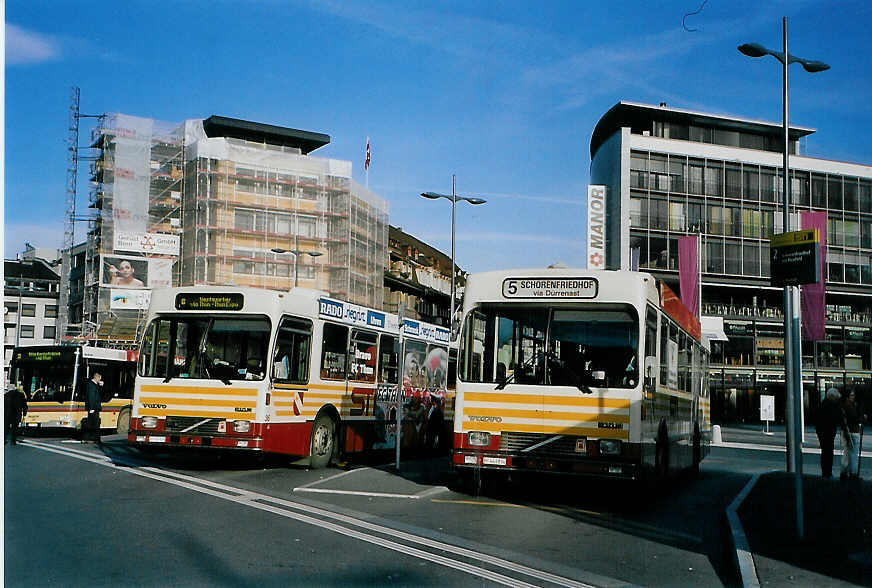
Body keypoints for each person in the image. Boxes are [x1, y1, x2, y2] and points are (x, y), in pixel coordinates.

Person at [816, 388, 843, 478]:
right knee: (828, 452)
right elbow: (834, 418)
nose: (836, 400)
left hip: (824, 432)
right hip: (826, 432)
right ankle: (827, 472)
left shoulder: (824, 404)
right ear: (832, 397)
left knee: (826, 452)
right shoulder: (828, 406)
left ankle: (826, 471)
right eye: (835, 398)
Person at [841, 389, 863, 480]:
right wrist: (862, 418)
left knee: (846, 452)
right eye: (851, 395)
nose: (853, 397)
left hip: (846, 431)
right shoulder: (850, 406)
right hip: (853, 431)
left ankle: (844, 471)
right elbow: (855, 418)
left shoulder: (844, 406)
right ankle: (853, 473)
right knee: (853, 453)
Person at [84, 371, 104, 444]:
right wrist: (92, 408)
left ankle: (91, 438)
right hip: (93, 408)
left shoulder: (94, 385)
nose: (100, 380)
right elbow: (91, 397)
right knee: (94, 424)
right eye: (99, 378)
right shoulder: (92, 385)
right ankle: (94, 438)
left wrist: (100, 386)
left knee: (92, 423)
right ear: (96, 377)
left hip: (94, 407)